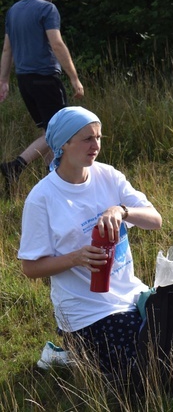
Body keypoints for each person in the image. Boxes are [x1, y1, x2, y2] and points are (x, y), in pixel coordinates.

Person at [17, 106, 162, 377]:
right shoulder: (42, 198)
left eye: (99, 137)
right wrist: (76, 258)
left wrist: (122, 210)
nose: (95, 145)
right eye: (87, 138)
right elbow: (30, 268)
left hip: (130, 294)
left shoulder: (108, 175)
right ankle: (74, 354)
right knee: (143, 369)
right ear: (64, 144)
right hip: (84, 313)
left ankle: (78, 356)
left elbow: (156, 220)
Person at [0, 0, 84, 190]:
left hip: (24, 81)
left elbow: (7, 49)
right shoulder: (47, 9)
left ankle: (53, 181)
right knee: (60, 130)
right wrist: (74, 78)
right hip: (46, 78)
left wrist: (4, 80)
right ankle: (16, 165)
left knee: (50, 131)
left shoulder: (14, 11)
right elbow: (57, 43)